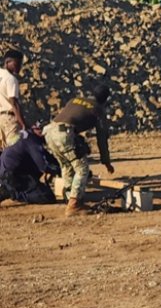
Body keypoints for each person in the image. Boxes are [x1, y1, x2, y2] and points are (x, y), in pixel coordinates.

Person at [43, 85, 115, 217]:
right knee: (82, 169)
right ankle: (74, 205)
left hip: (49, 131)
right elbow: (102, 138)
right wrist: (106, 161)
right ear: (105, 100)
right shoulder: (98, 109)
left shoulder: (75, 100)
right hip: (64, 133)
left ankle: (70, 197)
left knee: (67, 166)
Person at [0, 122, 60, 204]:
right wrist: (59, 170)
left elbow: (46, 157)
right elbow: (43, 166)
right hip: (13, 176)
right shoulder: (33, 142)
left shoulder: (25, 136)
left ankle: (10, 188)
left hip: (8, 172)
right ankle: (11, 192)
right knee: (47, 197)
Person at [0, 50, 27, 148]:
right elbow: (14, 103)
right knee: (16, 149)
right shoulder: (11, 79)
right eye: (17, 64)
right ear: (7, 62)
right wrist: (23, 124)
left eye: (20, 64)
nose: (19, 67)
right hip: (9, 120)